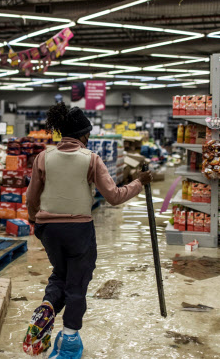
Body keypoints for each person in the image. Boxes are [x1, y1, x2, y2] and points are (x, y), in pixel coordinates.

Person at [22, 103, 153, 358]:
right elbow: (113, 196)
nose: (89, 137)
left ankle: (47, 307)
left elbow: (31, 198)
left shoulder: (43, 158)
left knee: (60, 275)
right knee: (77, 283)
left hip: (49, 229)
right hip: (79, 230)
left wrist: (36, 223)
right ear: (82, 134)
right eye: (88, 133)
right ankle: (70, 340)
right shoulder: (91, 158)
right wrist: (139, 182)